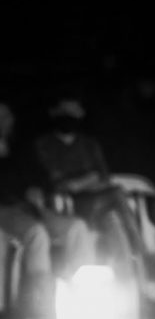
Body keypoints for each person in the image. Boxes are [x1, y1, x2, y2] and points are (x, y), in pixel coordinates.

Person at [0, 101, 96, 318]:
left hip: (32, 206)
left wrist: (39, 188)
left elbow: (40, 174)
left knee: (77, 228)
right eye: (2, 117)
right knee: (37, 234)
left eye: (8, 117)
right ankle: (41, 303)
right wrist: (21, 191)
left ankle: (83, 298)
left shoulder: (20, 147)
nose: (7, 121)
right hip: (5, 208)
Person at [33, 98, 146, 282]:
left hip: (97, 202)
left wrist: (83, 181)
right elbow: (57, 181)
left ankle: (127, 280)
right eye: (65, 112)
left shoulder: (89, 144)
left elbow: (103, 176)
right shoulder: (45, 145)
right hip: (68, 205)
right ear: (55, 114)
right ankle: (142, 251)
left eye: (74, 112)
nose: (70, 117)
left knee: (114, 223)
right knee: (117, 194)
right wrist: (86, 179)